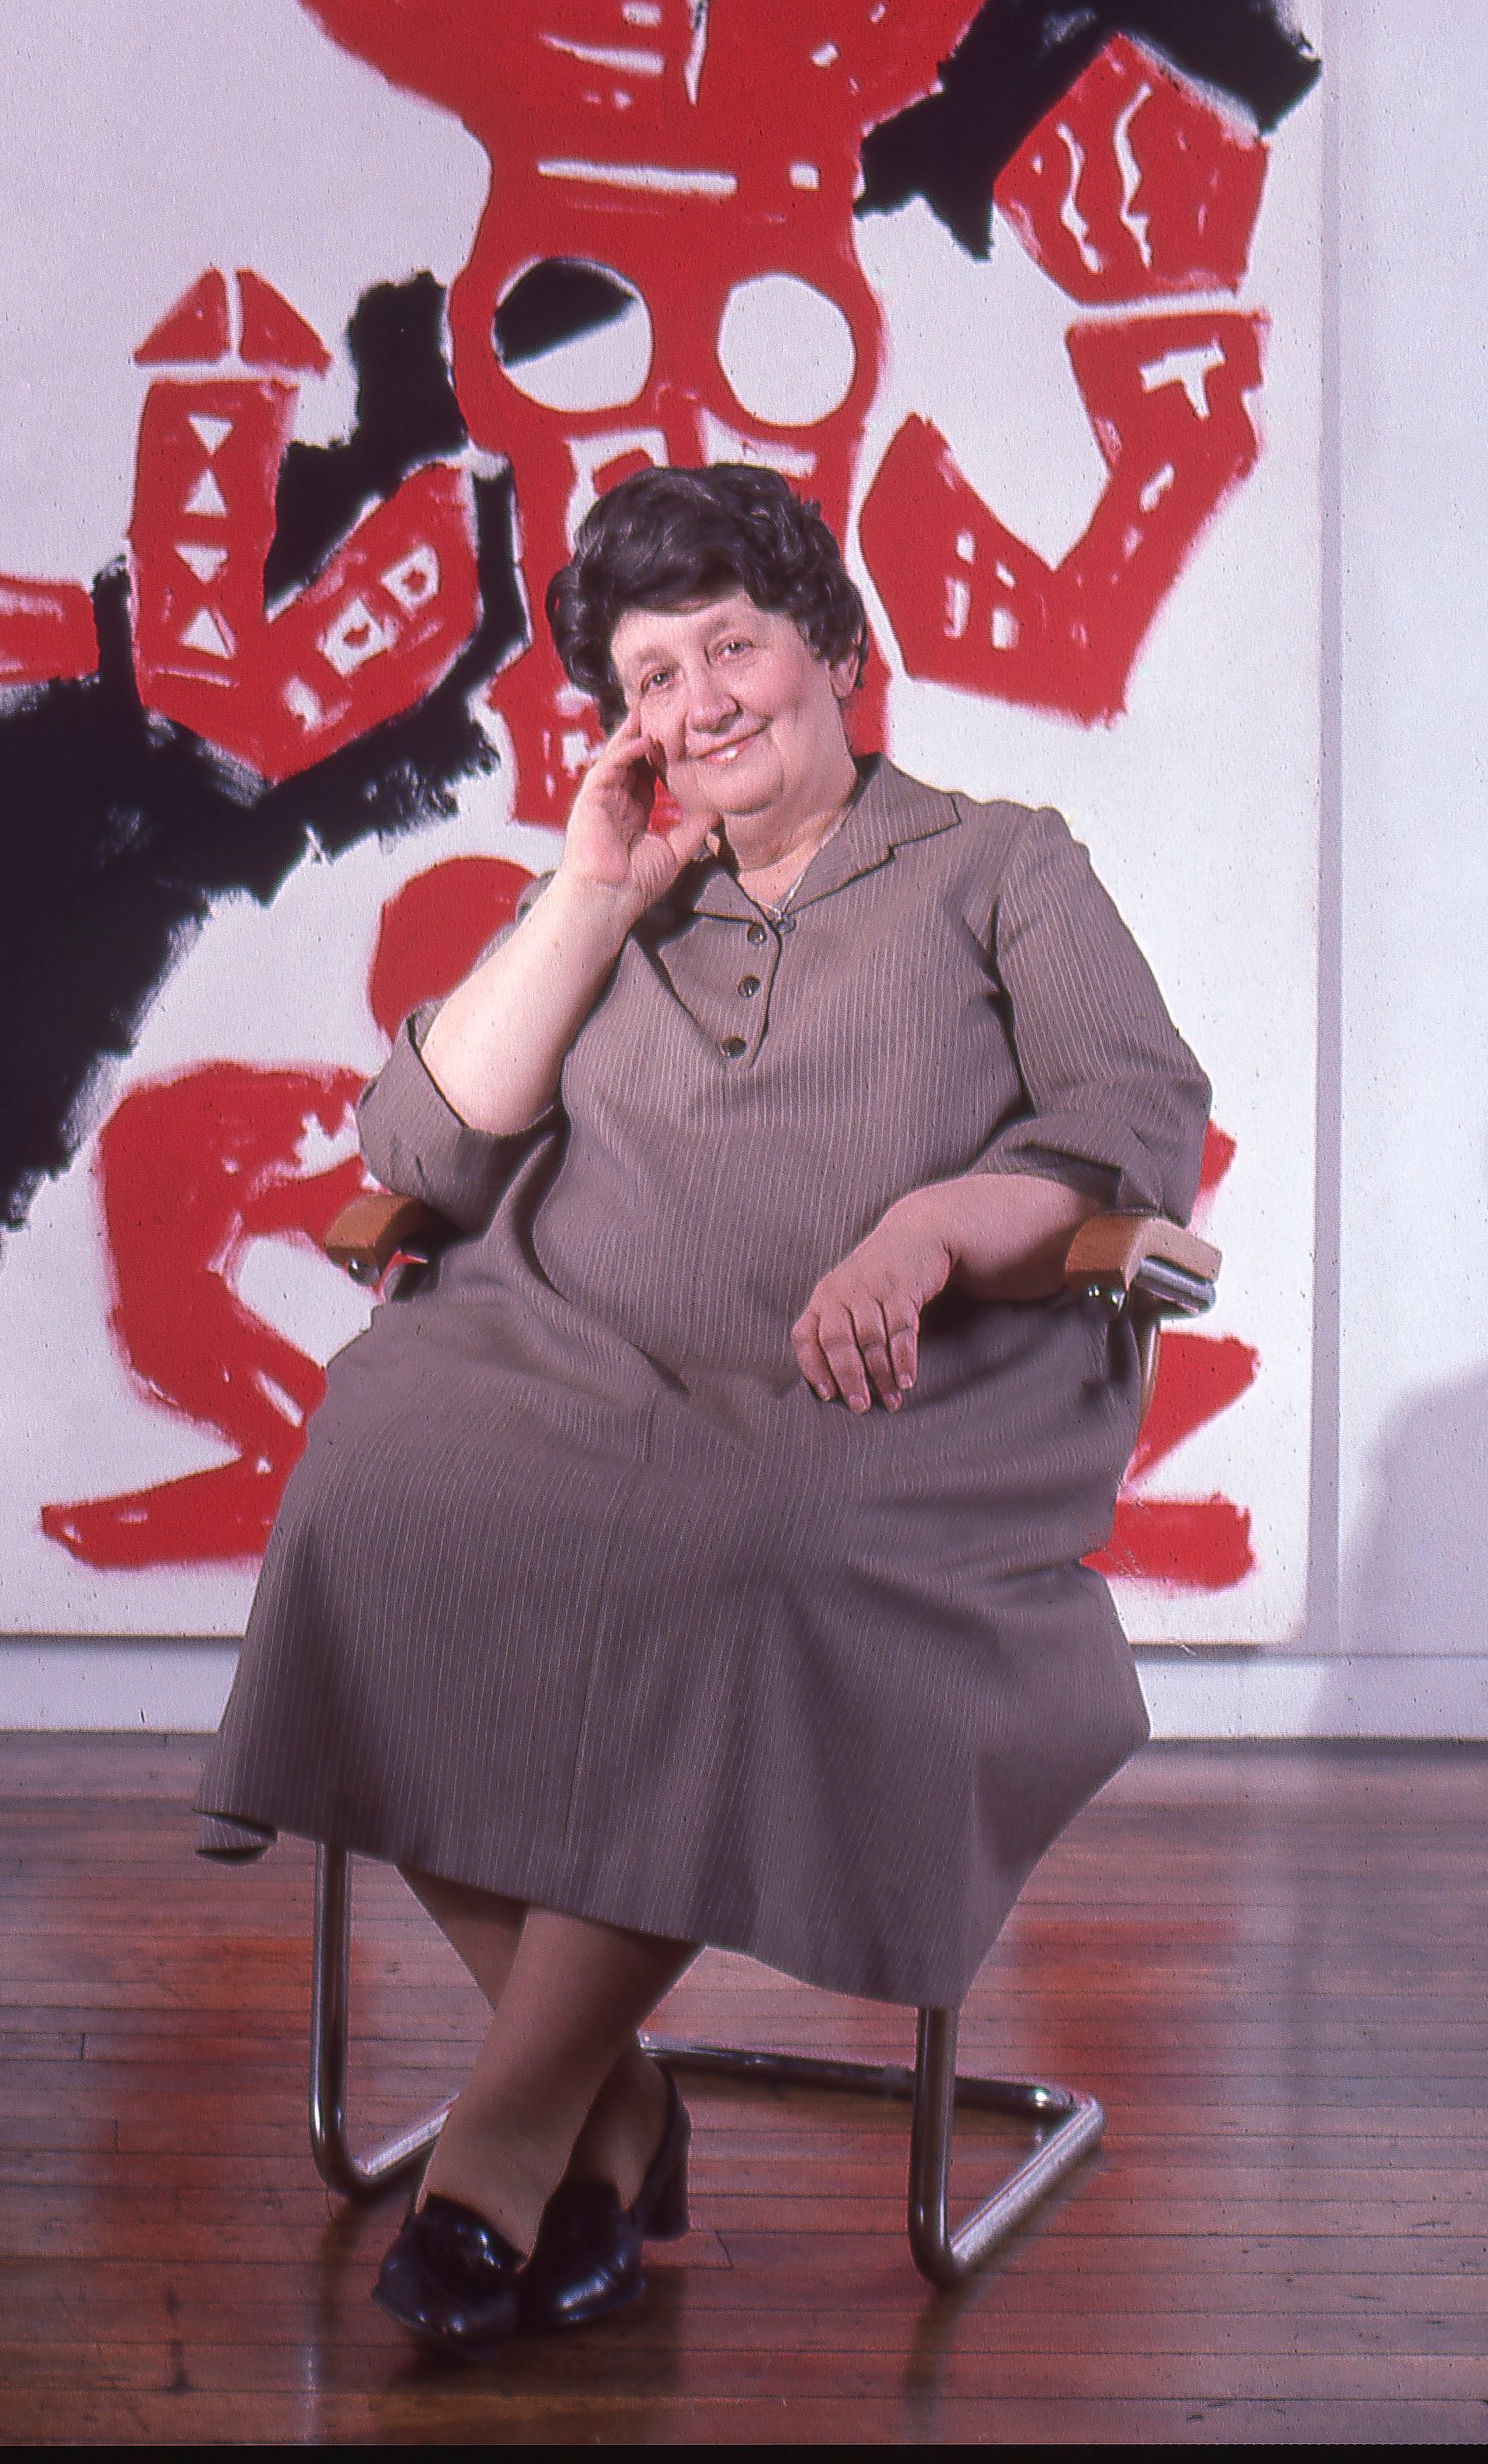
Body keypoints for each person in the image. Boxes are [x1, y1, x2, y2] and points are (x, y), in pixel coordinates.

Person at [193, 463, 1207, 2356]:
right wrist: (585, 898)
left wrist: (920, 1233)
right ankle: (619, 2104)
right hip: (579, 1348)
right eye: (651, 678)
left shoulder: (1001, 862)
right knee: (374, 1486)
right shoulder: (624, 889)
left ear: (832, 648)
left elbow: (1132, 1127)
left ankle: (501, 2137)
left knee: (746, 1553)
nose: (698, 704)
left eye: (731, 646)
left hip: (900, 1382)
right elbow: (416, 1147)